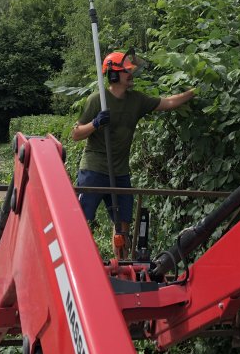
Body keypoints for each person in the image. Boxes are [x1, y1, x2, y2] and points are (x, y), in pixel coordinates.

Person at [71, 49, 195, 254]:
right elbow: (76, 134)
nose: (131, 75)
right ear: (113, 75)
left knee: (123, 225)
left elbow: (169, 102)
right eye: (127, 71)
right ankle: (78, 262)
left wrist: (193, 91)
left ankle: (121, 264)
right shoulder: (97, 100)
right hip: (94, 169)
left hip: (120, 172)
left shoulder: (137, 100)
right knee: (83, 220)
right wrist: (95, 123)